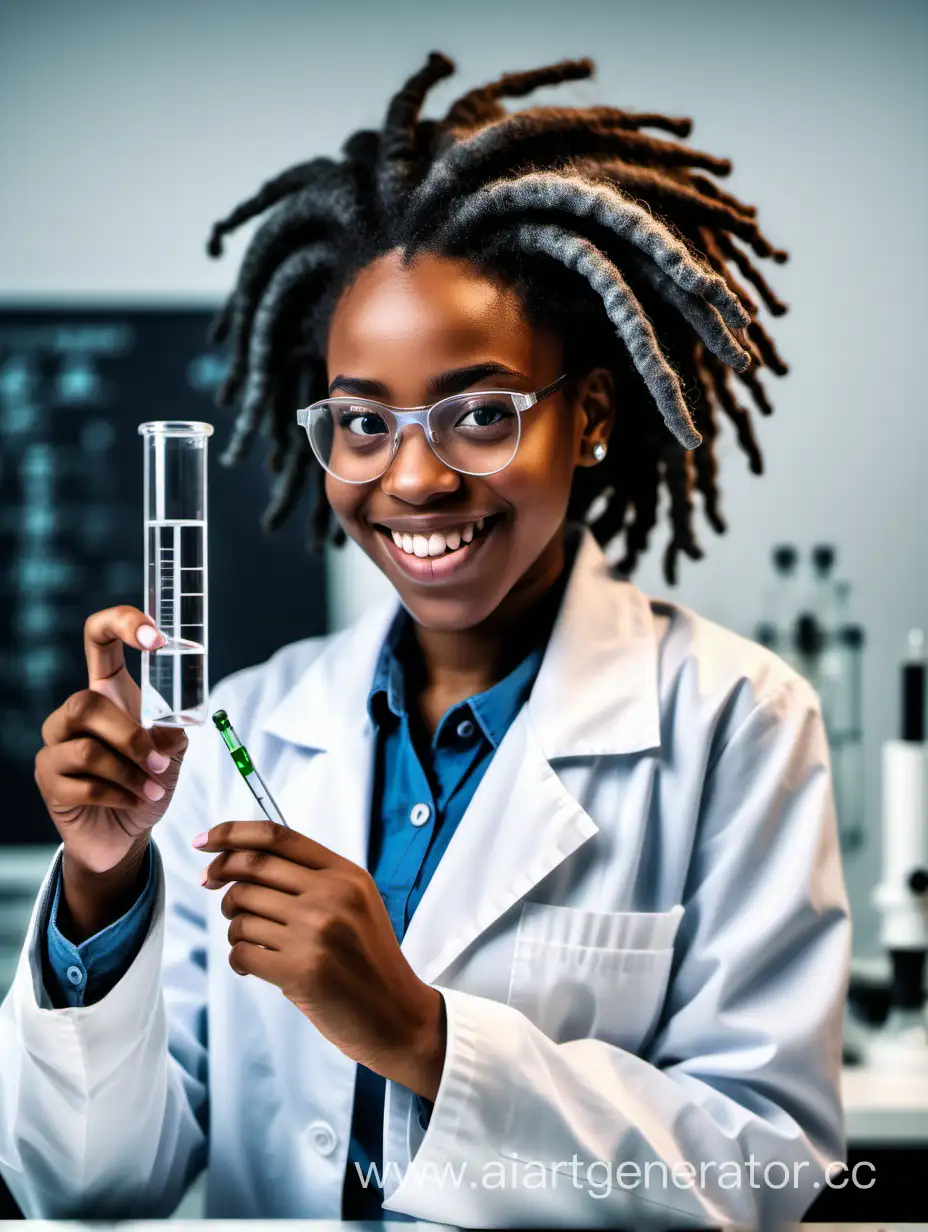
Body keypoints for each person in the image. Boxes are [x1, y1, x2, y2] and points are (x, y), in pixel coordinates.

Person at [0, 53, 850, 1227]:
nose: (413, 475)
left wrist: (419, 1032)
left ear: (589, 416)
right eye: (361, 420)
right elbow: (85, 1182)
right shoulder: (236, 727)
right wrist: (102, 888)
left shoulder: (734, 719)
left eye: (482, 412)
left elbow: (765, 1170)